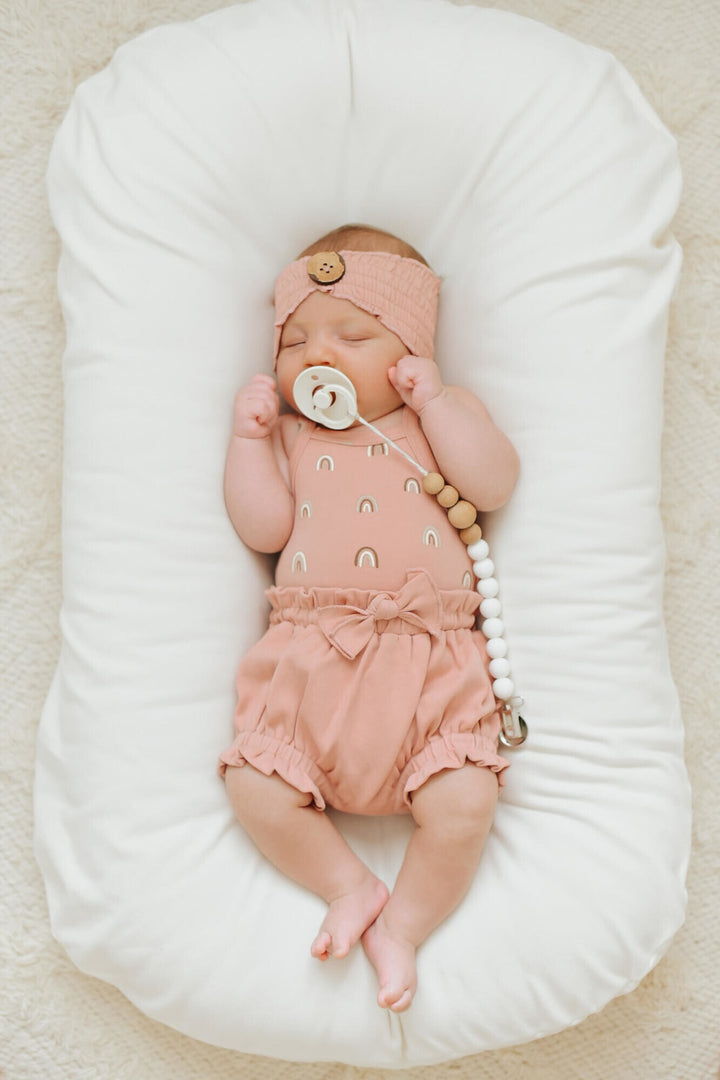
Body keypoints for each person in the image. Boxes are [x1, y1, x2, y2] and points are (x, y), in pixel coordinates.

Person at [219, 224, 519, 1013]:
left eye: (353, 334)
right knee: (252, 783)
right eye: (295, 343)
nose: (319, 355)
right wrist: (248, 445)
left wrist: (440, 401)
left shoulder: (436, 421)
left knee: (465, 804)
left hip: (430, 661)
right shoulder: (292, 434)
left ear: (411, 350)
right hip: (313, 659)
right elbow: (265, 531)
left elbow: (491, 484)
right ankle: (347, 885)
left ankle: (406, 926)